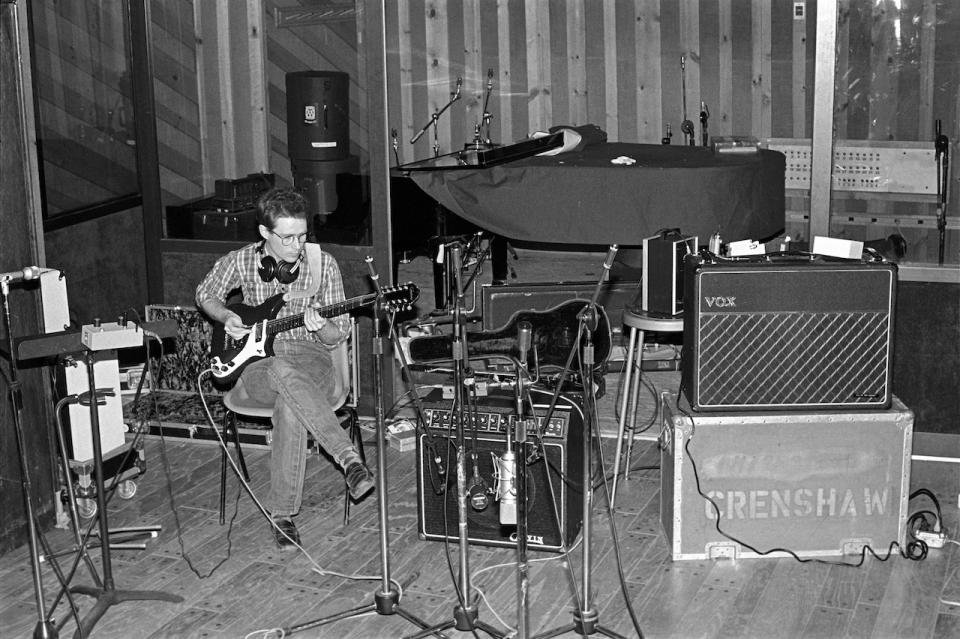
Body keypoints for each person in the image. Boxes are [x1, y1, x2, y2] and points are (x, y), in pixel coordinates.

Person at [196, 187, 374, 549]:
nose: (297, 245)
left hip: (314, 362)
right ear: (265, 233)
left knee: (291, 404)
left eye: (303, 235)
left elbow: (336, 336)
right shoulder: (243, 260)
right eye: (287, 237)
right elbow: (205, 293)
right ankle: (349, 459)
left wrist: (319, 324)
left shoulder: (323, 264)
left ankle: (282, 515)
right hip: (258, 367)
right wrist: (227, 315)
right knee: (278, 369)